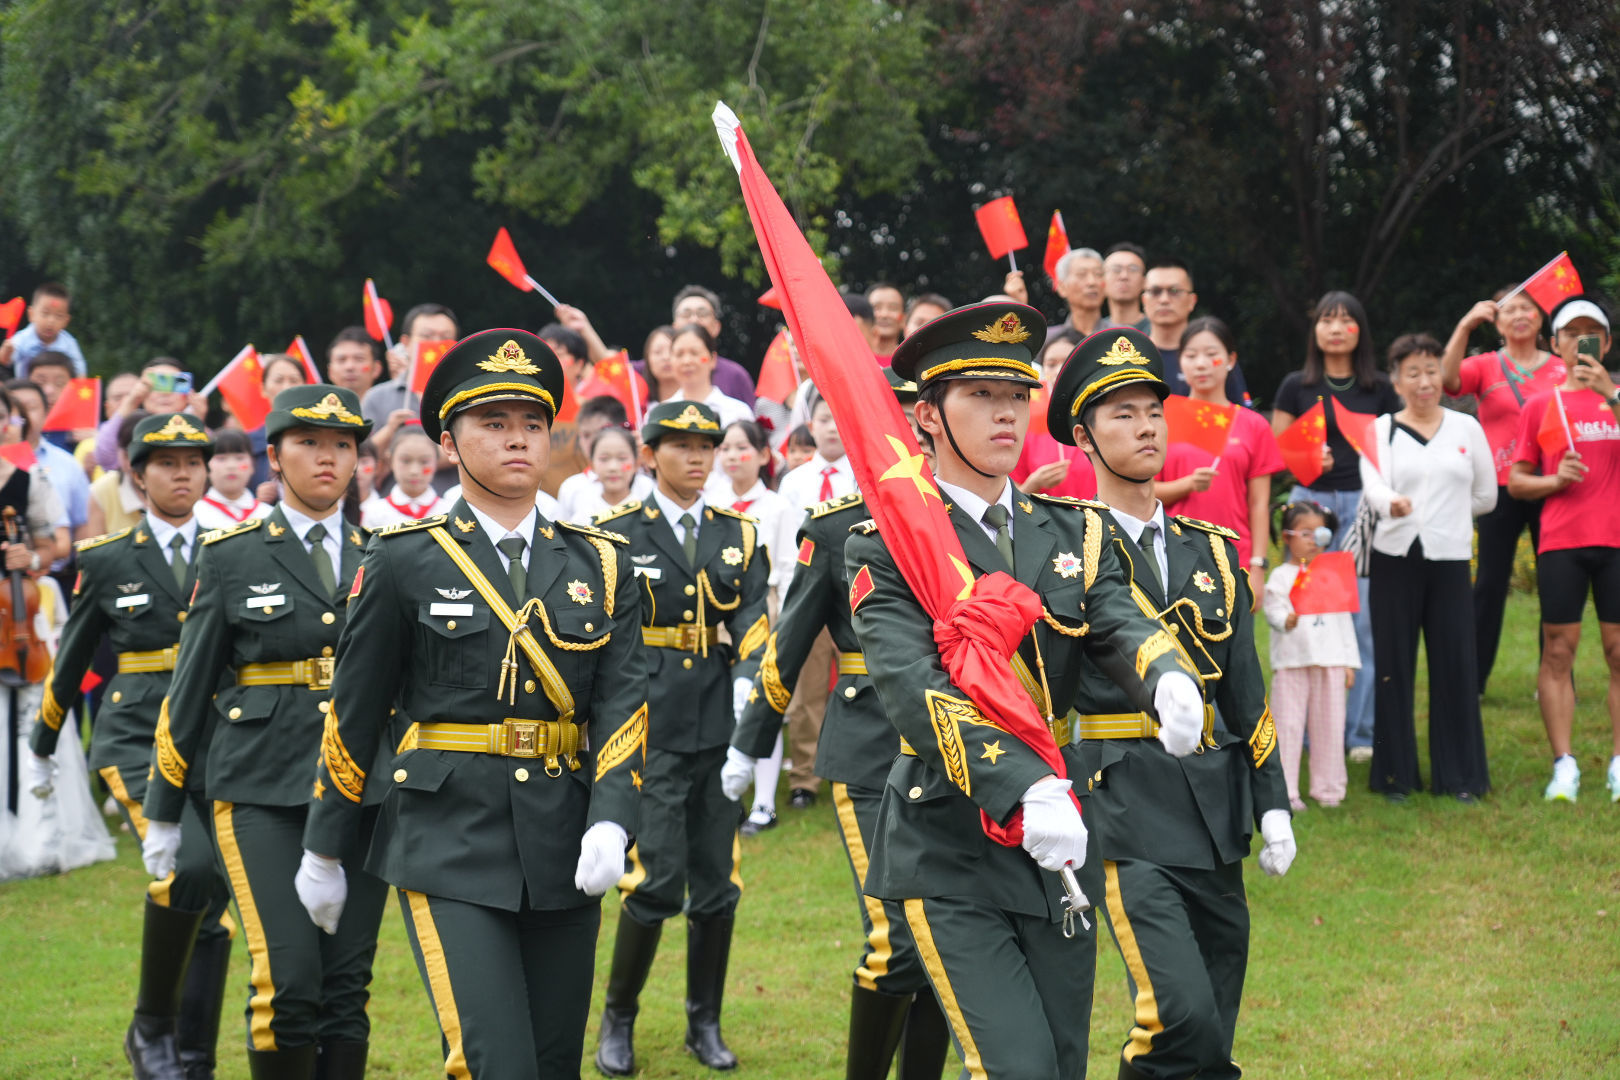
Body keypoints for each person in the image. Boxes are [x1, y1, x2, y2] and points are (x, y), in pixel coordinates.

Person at [846, 303, 1206, 1080]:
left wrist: (1166, 673)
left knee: (1064, 1064)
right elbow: (915, 688)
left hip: (1061, 833)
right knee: (1018, 1068)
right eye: (979, 396)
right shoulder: (890, 542)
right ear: (927, 416)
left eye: (1015, 394)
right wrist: (1020, 784)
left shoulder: (1074, 531)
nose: (1006, 413)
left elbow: (1117, 620)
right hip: (950, 838)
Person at [291, 331, 645, 1077]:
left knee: (553, 1065)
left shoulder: (602, 562)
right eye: (493, 424)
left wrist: (613, 816)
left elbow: (622, 703)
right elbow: (354, 714)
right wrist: (325, 847)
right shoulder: (400, 558)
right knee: (497, 1062)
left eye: (531, 424)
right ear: (448, 444)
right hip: (446, 836)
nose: (517, 439)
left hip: (562, 833)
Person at [1050, 325, 1295, 1080]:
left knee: (1212, 1032)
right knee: (1176, 1013)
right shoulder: (1061, 548)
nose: (1147, 425)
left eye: (1153, 409)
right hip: (1120, 802)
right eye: (1121, 414)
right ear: (1083, 437)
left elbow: (1246, 694)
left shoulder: (1214, 551)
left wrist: (1273, 802)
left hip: (1213, 811)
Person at [142, 385, 386, 1078]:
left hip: (361, 790)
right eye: (309, 443)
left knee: (345, 988)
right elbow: (188, 693)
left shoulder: (386, 554)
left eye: (342, 445)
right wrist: (163, 812)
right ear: (273, 456)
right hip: (260, 789)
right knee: (289, 980)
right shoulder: (231, 556)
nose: (328, 458)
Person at [723, 367, 951, 1080]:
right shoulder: (834, 526)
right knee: (896, 942)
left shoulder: (962, 517)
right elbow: (788, 646)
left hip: (960, 749)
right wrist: (748, 741)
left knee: (944, 934)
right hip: (871, 746)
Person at [26, 412, 233, 1078]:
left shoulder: (235, 548)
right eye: (166, 463)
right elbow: (76, 654)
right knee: (190, 867)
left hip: (217, 733)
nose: (182, 473)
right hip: (137, 734)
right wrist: (42, 742)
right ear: (138, 476)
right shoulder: (108, 558)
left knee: (217, 893)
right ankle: (151, 1029)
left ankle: (191, 1054)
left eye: (192, 462)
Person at [591, 399, 768, 1076]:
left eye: (707, 446)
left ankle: (704, 1022)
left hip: (716, 717)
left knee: (718, 883)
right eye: (682, 446)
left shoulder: (736, 534)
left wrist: (750, 675)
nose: (698, 458)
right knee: (658, 877)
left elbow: (753, 615)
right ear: (649, 455)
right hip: (648, 719)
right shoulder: (614, 533)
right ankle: (620, 1017)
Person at [1360, 333, 1496, 800]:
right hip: (1394, 558)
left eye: (1432, 370)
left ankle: (1460, 777)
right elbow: (1373, 486)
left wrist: (1448, 517)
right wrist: (1391, 504)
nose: (1425, 382)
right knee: (1394, 665)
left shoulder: (1466, 428)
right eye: (1413, 373)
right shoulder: (1381, 429)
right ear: (1396, 381)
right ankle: (1395, 775)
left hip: (1450, 558)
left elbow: (1486, 494)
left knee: (1455, 662)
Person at [1271, 291, 1399, 762]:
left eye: (1347, 319)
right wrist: (1306, 457)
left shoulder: (1380, 388)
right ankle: (1304, 730)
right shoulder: (1295, 386)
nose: (1336, 327)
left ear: (1361, 330)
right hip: (1311, 505)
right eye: (1327, 319)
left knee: (1360, 620)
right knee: (1306, 615)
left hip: (1364, 506)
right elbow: (1275, 451)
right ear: (1315, 330)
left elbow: (1394, 445)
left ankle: (1360, 733)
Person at [1507, 296, 1620, 803]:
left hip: (1616, 540)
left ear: (1607, 342)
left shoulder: (1618, 396)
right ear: (1555, 345)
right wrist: (1555, 480)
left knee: (1619, 652)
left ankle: (1619, 764)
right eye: (1570, 334)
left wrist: (1611, 397)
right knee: (1558, 651)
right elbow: (1516, 481)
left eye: (1590, 333)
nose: (1580, 342)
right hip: (1562, 541)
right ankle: (1564, 765)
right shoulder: (1541, 406)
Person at [1442, 288, 1568, 695]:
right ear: (1496, 322)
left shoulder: (1562, 368)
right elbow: (1448, 380)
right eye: (1510, 309)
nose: (1519, 315)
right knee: (1491, 583)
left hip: (1551, 484)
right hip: (1499, 487)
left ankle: (1554, 677)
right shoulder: (1485, 365)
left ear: (1540, 318)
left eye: (1527, 308)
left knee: (1555, 581)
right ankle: (1474, 681)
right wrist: (1465, 323)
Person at [705, 415, 819, 837]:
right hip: (716, 613)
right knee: (721, 704)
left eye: (742, 447)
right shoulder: (710, 502)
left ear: (764, 455)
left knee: (761, 702)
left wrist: (788, 621)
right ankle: (728, 798)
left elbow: (790, 570)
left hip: (763, 609)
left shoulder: (776, 507)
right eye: (726, 448)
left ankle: (765, 804)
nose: (733, 456)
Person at [1156, 317, 1283, 592]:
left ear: (1230, 359)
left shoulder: (1253, 424)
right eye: (1191, 355)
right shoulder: (1161, 419)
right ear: (1181, 362)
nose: (1201, 363)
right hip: (1173, 555)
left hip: (1235, 555)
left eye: (1212, 355)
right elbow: (1142, 491)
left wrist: (1258, 565)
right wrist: (1187, 485)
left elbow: (1259, 505)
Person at [773, 393, 856, 810]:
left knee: (861, 684)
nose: (831, 427)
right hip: (807, 595)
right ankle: (804, 777)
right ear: (812, 424)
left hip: (858, 597)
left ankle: (859, 765)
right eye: (824, 419)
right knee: (807, 691)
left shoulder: (864, 475)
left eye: (839, 419)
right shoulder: (794, 482)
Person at [1263, 502, 1359, 810]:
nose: (1313, 540)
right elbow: (1273, 609)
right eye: (1305, 533)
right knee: (1288, 725)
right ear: (1288, 536)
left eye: (1320, 533)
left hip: (1330, 661)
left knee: (1330, 724)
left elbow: (1343, 619)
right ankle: (1287, 790)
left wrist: (1347, 662)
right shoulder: (1280, 576)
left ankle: (1329, 788)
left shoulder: (1332, 573)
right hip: (1292, 661)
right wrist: (1284, 620)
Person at [1142, 261, 1250, 403]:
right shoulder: (1131, 355)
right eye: (1155, 292)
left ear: (1192, 301)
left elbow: (1239, 416)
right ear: (1144, 300)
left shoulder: (1215, 355)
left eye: (1174, 291)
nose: (1164, 299)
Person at [6, 378, 89, 556]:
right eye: (12, 412)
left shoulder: (68, 464)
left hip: (55, 572)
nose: (21, 417)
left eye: (29, 407)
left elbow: (78, 528)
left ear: (46, 412)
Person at [1015, 330, 1098, 501]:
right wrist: (1032, 485)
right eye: (1051, 364)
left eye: (1068, 362)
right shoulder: (1027, 421)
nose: (1059, 370)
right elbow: (1012, 495)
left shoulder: (1105, 417)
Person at [555, 396, 655, 522]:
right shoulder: (571, 488)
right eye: (586, 435)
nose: (593, 441)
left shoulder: (646, 485)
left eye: (601, 432)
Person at [361, 303, 459, 431]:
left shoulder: (465, 396)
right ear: (406, 343)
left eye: (445, 337)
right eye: (427, 336)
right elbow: (364, 450)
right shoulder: (377, 397)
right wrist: (390, 430)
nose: (436, 343)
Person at [668, 286, 758, 404]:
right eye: (686, 314)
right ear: (674, 327)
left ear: (716, 326)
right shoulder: (662, 372)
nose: (694, 320)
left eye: (702, 314)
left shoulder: (735, 376)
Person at [359, 424, 447, 529]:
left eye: (424, 462)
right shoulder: (375, 512)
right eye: (406, 461)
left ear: (436, 462)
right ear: (390, 460)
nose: (414, 471)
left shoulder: (449, 511)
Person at [194, 429, 273, 532]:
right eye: (221, 458)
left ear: (252, 465)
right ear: (206, 465)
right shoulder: (196, 514)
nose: (231, 466)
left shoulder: (268, 515)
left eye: (239, 458)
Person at [1, 282, 87, 376]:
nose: (51, 321)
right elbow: (4, 360)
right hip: (29, 388)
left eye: (59, 316)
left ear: (66, 321)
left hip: (59, 389)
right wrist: (6, 351)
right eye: (45, 314)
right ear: (31, 314)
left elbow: (80, 373)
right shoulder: (22, 339)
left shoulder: (69, 344)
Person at [87, 411, 151, 537]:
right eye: (126, 455)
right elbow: (93, 552)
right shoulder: (102, 490)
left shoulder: (175, 483)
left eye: (140, 457)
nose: (131, 465)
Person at [566, 425, 640, 525]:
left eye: (622, 458)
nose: (613, 467)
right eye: (604, 459)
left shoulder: (647, 513)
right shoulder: (582, 518)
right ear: (592, 464)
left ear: (636, 464)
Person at [1044, 248, 1108, 347]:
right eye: (1081, 275)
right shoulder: (1047, 340)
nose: (1092, 282)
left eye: (1098, 274)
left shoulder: (1121, 336)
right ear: (1062, 288)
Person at [1101, 242, 1149, 329]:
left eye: (1133, 269)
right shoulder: (1094, 332)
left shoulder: (1158, 330)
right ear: (1102, 280)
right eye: (1116, 269)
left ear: (1144, 281)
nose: (1124, 276)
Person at [867, 283, 905, 359]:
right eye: (876, 308)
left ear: (903, 319)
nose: (885, 314)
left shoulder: (911, 364)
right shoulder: (851, 360)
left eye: (893, 308)